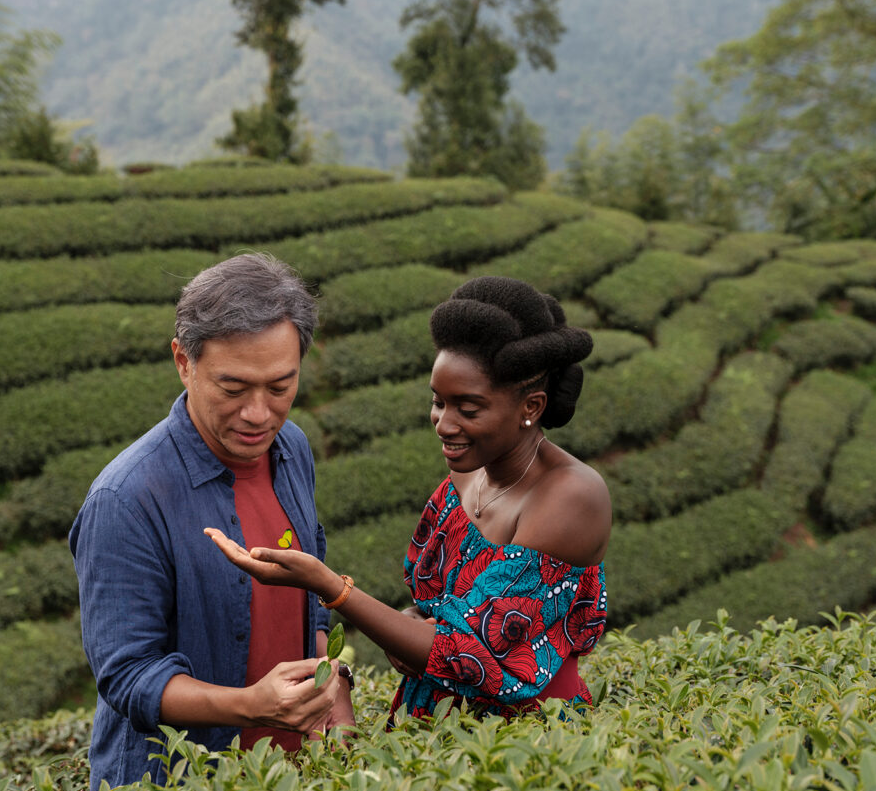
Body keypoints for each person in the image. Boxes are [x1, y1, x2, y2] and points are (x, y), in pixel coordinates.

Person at [207, 276, 609, 720]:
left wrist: (329, 586)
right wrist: (408, 621)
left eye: (468, 409)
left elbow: (472, 654)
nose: (443, 423)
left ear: (530, 408)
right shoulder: (470, 472)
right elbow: (437, 605)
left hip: (520, 744)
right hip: (434, 730)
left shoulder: (572, 497)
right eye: (439, 402)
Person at [70, 253, 352, 791]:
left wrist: (330, 689)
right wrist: (249, 708)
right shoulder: (127, 498)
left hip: (290, 778)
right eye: (233, 388)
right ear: (183, 361)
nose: (258, 413)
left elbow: (306, 586)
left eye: (279, 387)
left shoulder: (291, 448)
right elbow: (128, 676)